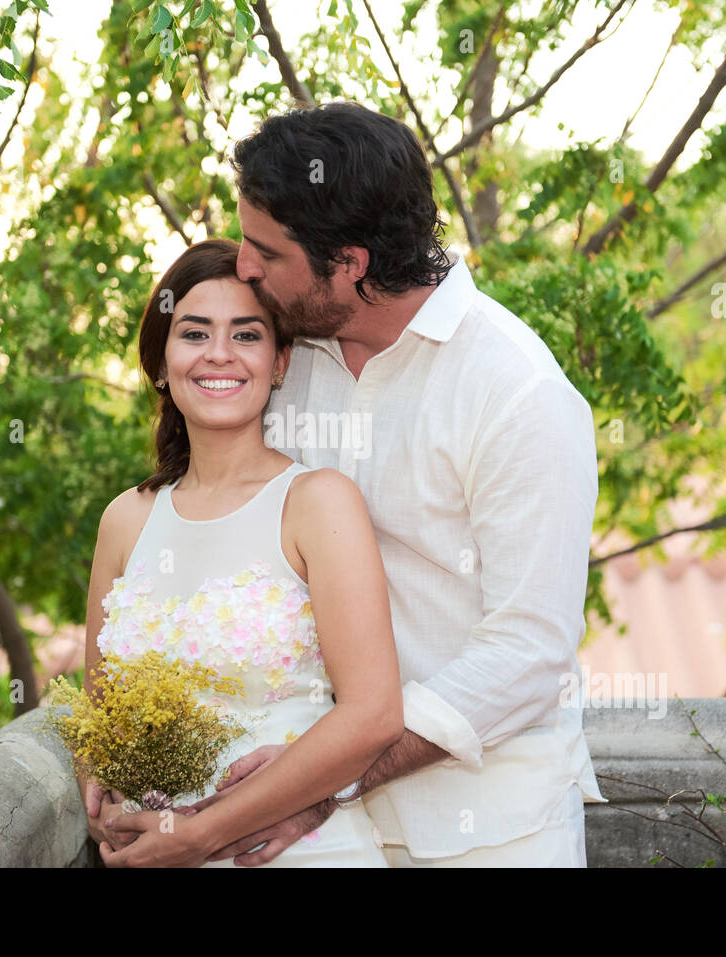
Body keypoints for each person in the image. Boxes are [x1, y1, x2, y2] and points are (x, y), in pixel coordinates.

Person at [186, 101, 607, 867]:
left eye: (266, 253)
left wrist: (326, 778)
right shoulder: (287, 358)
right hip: (307, 834)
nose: (244, 268)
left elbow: (527, 653)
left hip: (489, 833)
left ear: (349, 265)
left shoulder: (517, 394)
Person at [78, 237, 403, 867]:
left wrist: (204, 834)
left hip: (297, 853)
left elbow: (373, 714)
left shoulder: (317, 503)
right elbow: (98, 712)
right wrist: (101, 801)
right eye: (194, 334)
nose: (219, 354)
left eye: (247, 335)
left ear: (281, 361)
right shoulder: (126, 519)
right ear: (161, 361)